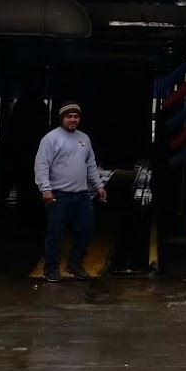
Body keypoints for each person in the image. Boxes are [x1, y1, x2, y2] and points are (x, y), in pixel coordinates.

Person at [35, 102, 106, 281]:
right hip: (58, 195)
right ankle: (51, 269)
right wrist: (45, 189)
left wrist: (99, 185)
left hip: (82, 194)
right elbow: (42, 165)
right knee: (56, 234)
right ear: (62, 118)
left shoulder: (84, 139)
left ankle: (75, 264)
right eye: (69, 116)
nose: (73, 119)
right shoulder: (51, 139)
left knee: (86, 230)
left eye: (76, 116)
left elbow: (91, 165)